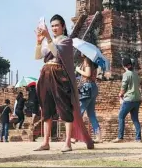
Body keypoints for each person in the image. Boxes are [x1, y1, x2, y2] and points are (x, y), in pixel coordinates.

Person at [34, 14, 94, 152]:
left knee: (65, 108)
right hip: (46, 73)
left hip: (59, 74)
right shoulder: (48, 41)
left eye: (57, 25)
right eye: (52, 26)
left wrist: (48, 37)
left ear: (63, 27)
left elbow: (56, 54)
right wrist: (38, 42)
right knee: (46, 109)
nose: (54, 28)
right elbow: (37, 56)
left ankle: (68, 142)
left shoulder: (66, 41)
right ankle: (45, 142)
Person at [112, 57, 142, 143]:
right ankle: (138, 138)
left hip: (129, 99)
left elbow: (124, 87)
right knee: (135, 119)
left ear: (124, 66)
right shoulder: (136, 74)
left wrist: (120, 94)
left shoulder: (126, 74)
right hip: (137, 99)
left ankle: (120, 137)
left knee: (121, 116)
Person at [75, 53, 102, 143]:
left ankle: (75, 135)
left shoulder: (87, 61)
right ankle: (98, 136)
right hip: (93, 87)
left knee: (79, 112)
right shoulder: (93, 62)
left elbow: (88, 74)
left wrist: (78, 70)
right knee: (91, 114)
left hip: (87, 87)